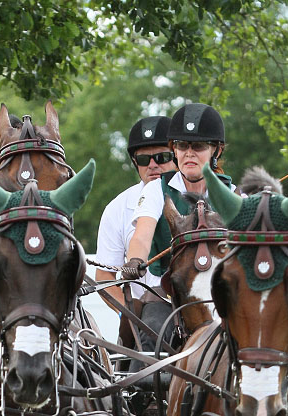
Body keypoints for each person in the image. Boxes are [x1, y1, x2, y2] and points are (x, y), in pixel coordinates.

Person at [120, 102, 235, 359]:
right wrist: (135, 259)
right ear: (174, 149)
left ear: (216, 149)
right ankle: (145, 396)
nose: (189, 153)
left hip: (223, 295)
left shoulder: (234, 195)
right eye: (182, 146)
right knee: (152, 332)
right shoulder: (154, 190)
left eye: (198, 146)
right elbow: (142, 234)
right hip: (170, 293)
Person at [94, 115, 176, 314]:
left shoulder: (198, 197)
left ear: (177, 156)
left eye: (162, 157)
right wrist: (130, 315)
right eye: (143, 159)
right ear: (134, 162)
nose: (152, 165)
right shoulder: (116, 209)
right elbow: (105, 277)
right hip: (147, 314)